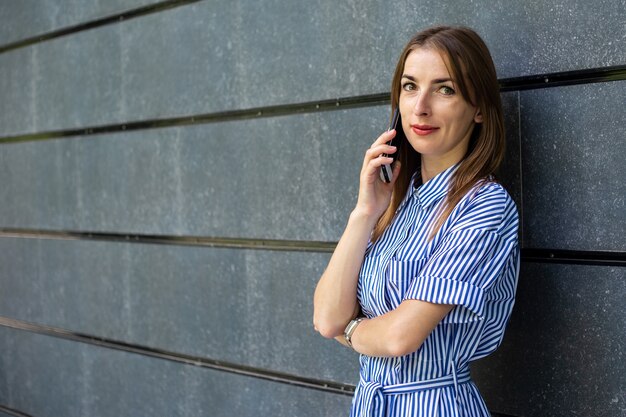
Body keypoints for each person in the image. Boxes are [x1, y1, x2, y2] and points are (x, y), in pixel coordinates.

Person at [313, 25, 520, 417]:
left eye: (445, 89)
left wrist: (352, 328)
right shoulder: (398, 202)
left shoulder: (485, 207)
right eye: (410, 87)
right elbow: (325, 317)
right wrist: (364, 212)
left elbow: (399, 337)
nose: (420, 107)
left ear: (478, 108)